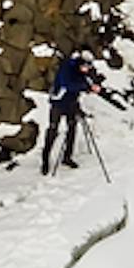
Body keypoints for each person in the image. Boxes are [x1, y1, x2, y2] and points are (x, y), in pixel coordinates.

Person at [38, 45, 93, 175]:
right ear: (80, 63)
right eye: (86, 67)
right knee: (53, 129)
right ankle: (45, 159)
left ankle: (67, 157)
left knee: (72, 128)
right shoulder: (66, 68)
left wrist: (89, 87)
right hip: (58, 102)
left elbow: (84, 82)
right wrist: (84, 87)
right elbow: (67, 85)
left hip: (71, 103)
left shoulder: (80, 71)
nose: (86, 70)